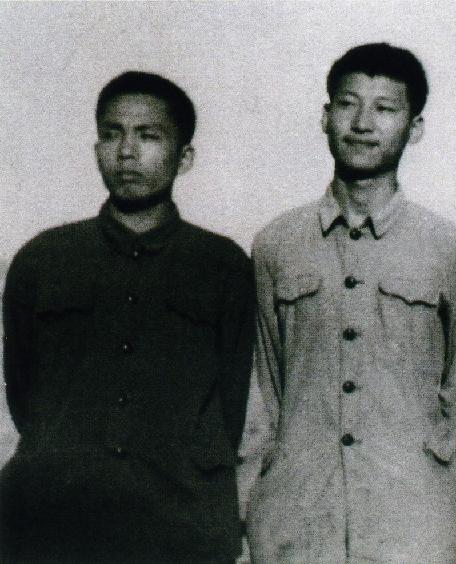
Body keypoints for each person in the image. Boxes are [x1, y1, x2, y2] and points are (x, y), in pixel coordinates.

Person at [0, 71, 254, 562]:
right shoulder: (43, 259)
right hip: (50, 525)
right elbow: (24, 397)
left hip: (179, 529)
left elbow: (234, 405)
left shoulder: (223, 266)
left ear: (185, 157)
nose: (127, 152)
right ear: (96, 148)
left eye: (148, 136)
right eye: (112, 133)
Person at [247, 43, 456, 563]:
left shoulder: (450, 250)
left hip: (411, 528)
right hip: (295, 523)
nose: (363, 122)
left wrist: (439, 490)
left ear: (414, 128)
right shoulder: (276, 245)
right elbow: (263, 385)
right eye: (348, 103)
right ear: (325, 118)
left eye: (385, 107)